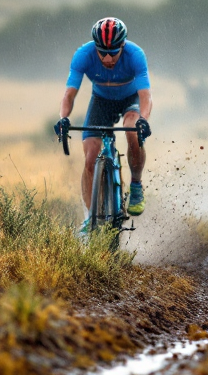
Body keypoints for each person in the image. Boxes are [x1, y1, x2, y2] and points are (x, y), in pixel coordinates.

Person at [55, 17, 153, 235]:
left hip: (131, 101)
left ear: (123, 46)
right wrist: (63, 117)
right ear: (95, 48)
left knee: (132, 130)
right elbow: (69, 94)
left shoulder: (135, 55)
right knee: (90, 158)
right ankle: (90, 219)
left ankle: (136, 185)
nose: (108, 58)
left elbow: (145, 96)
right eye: (102, 53)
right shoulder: (83, 54)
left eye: (113, 53)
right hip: (101, 102)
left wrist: (143, 121)